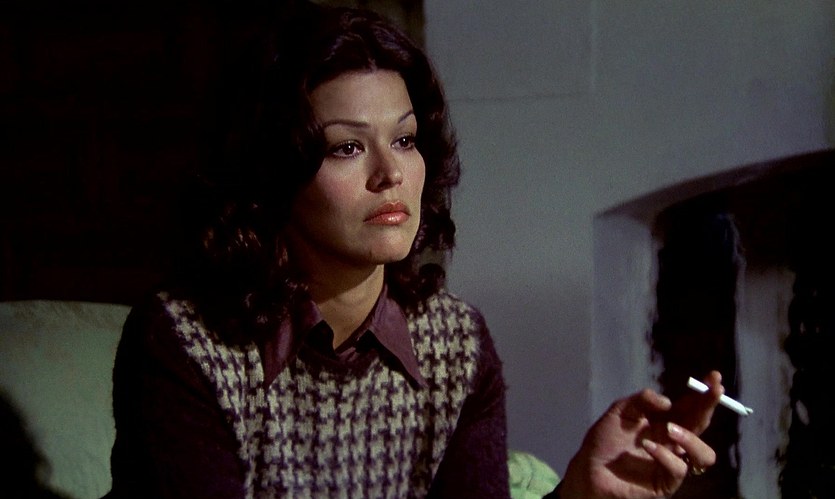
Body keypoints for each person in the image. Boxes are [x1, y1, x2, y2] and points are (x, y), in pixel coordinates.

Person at [107, 3, 723, 498]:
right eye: (347, 147)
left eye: (404, 139)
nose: (391, 174)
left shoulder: (455, 345)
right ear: (272, 171)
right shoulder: (185, 341)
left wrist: (580, 494)